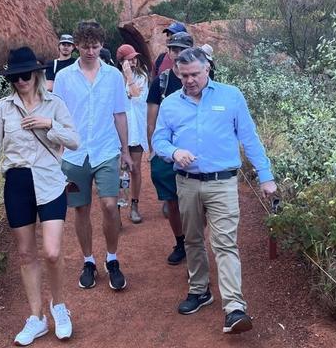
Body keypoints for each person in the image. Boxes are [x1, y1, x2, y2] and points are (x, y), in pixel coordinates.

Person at [152, 48, 277, 334]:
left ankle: (234, 308)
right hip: (186, 181)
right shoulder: (170, 104)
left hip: (222, 182)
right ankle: (199, 290)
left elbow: (249, 137)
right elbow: (158, 140)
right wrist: (174, 152)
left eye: (195, 74)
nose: (190, 80)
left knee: (225, 243)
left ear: (208, 69)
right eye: (184, 75)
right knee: (193, 239)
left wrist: (265, 176)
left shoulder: (231, 96)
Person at [0, 47, 81, 345]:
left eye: (25, 75)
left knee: (51, 251)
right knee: (25, 253)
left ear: (37, 73)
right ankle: (36, 317)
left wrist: (49, 125)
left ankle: (59, 307)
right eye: (14, 77)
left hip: (50, 180)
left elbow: (74, 141)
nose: (20, 81)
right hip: (17, 181)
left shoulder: (54, 104)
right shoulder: (3, 108)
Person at [51, 21, 133, 291]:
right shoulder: (64, 77)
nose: (90, 52)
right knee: (81, 209)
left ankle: (112, 258)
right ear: (76, 46)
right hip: (74, 154)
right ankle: (88, 261)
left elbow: (119, 113)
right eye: (85, 47)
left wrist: (126, 150)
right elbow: (57, 114)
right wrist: (58, 149)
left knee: (109, 205)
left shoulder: (112, 76)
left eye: (95, 47)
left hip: (106, 149)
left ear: (101, 46)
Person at [147, 30, 194, 263]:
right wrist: (153, 151)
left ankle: (195, 243)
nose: (177, 54)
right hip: (167, 153)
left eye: (182, 49)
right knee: (172, 202)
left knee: (197, 203)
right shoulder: (162, 82)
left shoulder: (199, 77)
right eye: (173, 49)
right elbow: (151, 119)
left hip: (194, 152)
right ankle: (180, 242)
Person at [116, 44, 151, 223]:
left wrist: (129, 76)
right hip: (117, 131)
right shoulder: (113, 79)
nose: (133, 61)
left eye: (134, 58)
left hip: (136, 129)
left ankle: (134, 205)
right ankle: (118, 210)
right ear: (121, 61)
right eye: (129, 59)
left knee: (135, 169)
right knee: (119, 170)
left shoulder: (141, 77)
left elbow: (137, 97)